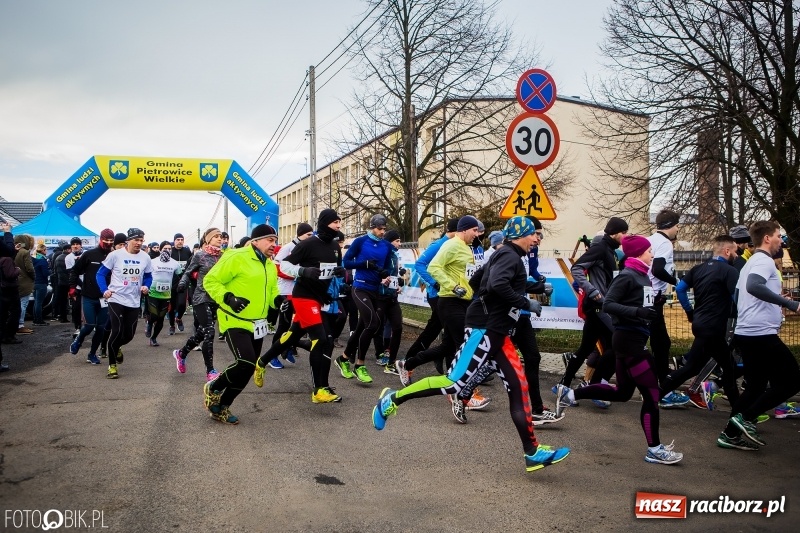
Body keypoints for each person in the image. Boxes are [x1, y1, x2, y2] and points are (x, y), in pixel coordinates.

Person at [372, 216, 570, 473]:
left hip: (498, 332)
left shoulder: (505, 256)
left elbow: (478, 282)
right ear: (521, 234)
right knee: (453, 382)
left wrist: (529, 286)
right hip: (485, 330)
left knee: (519, 388)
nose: (537, 239)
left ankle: (532, 452)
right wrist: (525, 302)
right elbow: (497, 284)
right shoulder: (509, 256)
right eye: (534, 234)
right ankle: (391, 400)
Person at [555, 235, 684, 465]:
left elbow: (637, 303)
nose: (652, 255)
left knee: (623, 393)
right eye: (648, 252)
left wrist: (652, 306)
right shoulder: (627, 275)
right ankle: (654, 449)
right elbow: (609, 304)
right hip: (629, 342)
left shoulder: (642, 275)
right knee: (652, 394)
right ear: (637, 255)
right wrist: (638, 314)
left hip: (633, 339)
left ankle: (572, 394)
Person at [716, 221, 800, 450]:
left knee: (755, 386)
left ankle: (730, 435)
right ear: (766, 238)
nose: (781, 240)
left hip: (748, 330)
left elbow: (739, 293)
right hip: (759, 333)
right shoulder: (763, 261)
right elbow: (753, 286)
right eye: (778, 235)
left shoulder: (751, 261)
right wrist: (790, 304)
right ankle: (746, 418)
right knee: (793, 380)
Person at [254, 209, 345, 403]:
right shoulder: (308, 244)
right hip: (303, 297)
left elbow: (331, 272)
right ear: (324, 223)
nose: (338, 226)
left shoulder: (335, 246)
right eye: (335, 222)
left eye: (339, 222)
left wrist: (339, 271)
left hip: (319, 298)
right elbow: (284, 265)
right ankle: (319, 390)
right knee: (320, 339)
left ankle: (261, 362)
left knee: (292, 336)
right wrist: (303, 271)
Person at [200, 224, 279, 424]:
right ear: (256, 241)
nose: (274, 244)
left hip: (258, 323)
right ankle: (214, 387)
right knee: (245, 362)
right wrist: (228, 298)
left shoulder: (269, 264)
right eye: (270, 240)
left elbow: (271, 291)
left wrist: (278, 302)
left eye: (275, 240)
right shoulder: (237, 257)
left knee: (249, 368)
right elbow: (210, 281)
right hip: (234, 319)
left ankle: (222, 407)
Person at [557, 217, 629, 404]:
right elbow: (577, 268)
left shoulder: (612, 251)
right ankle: (596, 387)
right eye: (624, 232)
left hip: (603, 306)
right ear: (614, 233)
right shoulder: (600, 248)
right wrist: (594, 292)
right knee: (618, 344)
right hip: (599, 306)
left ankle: (565, 386)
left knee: (587, 348)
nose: (626, 236)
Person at [665, 236, 740, 411]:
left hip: (700, 324)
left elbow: (681, 289)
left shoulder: (698, 268)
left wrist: (690, 312)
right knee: (724, 368)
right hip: (714, 328)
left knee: (703, 366)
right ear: (727, 251)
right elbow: (737, 299)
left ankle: (740, 411)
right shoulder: (729, 272)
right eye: (735, 251)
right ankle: (741, 413)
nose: (737, 255)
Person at [396, 218, 459, 385]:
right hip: (437, 294)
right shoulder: (439, 245)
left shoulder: (457, 245)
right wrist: (435, 283)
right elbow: (420, 265)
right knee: (450, 334)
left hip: (449, 294)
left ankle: (410, 362)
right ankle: (450, 374)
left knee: (434, 330)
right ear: (455, 231)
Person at [335, 214, 393, 382]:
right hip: (360, 287)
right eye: (379, 229)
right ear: (372, 227)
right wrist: (364, 264)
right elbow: (345, 263)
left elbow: (387, 267)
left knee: (362, 327)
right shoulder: (360, 242)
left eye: (384, 229)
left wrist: (385, 274)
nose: (382, 232)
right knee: (373, 323)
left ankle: (343, 358)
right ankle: (360, 364)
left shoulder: (387, 246)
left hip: (375, 289)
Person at [96, 228, 153, 378]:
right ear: (128, 240)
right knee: (117, 330)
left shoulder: (145, 257)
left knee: (129, 335)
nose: (139, 243)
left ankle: (117, 347)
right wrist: (104, 290)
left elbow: (148, 276)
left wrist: (147, 286)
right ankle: (112, 366)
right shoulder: (115, 255)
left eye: (141, 240)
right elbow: (100, 274)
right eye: (136, 240)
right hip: (116, 297)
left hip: (133, 300)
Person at [647, 209, 689, 407]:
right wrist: (676, 281)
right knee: (661, 344)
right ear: (671, 225)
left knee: (657, 342)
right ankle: (663, 389)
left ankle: (660, 382)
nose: (679, 228)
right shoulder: (664, 243)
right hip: (653, 298)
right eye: (678, 224)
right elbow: (657, 269)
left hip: (648, 297)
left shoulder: (651, 240)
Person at [172, 228, 224, 381]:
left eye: (220, 237)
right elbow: (188, 272)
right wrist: (182, 284)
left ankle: (181, 353)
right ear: (207, 240)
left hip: (216, 298)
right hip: (201, 297)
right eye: (216, 237)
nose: (220, 239)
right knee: (209, 332)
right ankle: (211, 371)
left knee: (201, 332)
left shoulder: (224, 257)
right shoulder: (200, 256)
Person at [266, 222, 313, 369]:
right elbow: (277, 268)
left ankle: (288, 346)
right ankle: (272, 356)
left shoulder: (307, 247)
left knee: (299, 324)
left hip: (300, 291)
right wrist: (297, 275)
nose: (311, 238)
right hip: (285, 291)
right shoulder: (288, 248)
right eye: (308, 235)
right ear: (300, 234)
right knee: (283, 325)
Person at [68, 229, 115, 364]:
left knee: (100, 328)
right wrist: (72, 287)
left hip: (104, 298)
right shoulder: (89, 254)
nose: (108, 243)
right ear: (100, 239)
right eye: (106, 240)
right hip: (88, 296)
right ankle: (78, 341)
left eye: (111, 241)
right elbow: (75, 271)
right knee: (89, 325)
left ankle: (92, 354)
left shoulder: (114, 256)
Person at [375, 229, 404, 375]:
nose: (400, 243)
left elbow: (393, 275)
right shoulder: (382, 253)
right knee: (374, 326)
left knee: (397, 327)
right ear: (389, 241)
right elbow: (374, 272)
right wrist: (380, 280)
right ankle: (376, 354)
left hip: (392, 296)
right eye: (397, 241)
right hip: (379, 296)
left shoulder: (394, 256)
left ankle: (391, 362)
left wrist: (396, 286)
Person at [145, 241, 182, 348]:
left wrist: (179, 286)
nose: (167, 251)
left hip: (166, 294)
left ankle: (154, 338)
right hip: (153, 292)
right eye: (165, 249)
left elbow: (180, 276)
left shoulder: (175, 263)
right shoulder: (152, 262)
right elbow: (146, 275)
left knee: (160, 318)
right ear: (160, 250)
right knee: (154, 315)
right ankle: (150, 323)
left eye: (170, 249)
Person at [1, 220, 22, 351]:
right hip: (8, 289)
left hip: (4, 288)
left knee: (4, 314)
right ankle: (8, 335)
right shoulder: (7, 259)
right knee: (15, 311)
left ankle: (5, 335)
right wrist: (18, 270)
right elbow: (10, 274)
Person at [168, 233, 192, 335]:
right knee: (171, 307)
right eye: (178, 239)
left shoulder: (187, 251)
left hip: (183, 282)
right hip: (171, 283)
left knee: (182, 304)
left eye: (182, 239)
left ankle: (178, 318)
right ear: (174, 241)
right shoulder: (170, 251)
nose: (180, 241)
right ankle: (172, 325)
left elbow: (192, 263)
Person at [14, 234, 35, 335]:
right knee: (23, 304)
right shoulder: (25, 252)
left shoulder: (13, 251)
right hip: (25, 281)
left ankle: (16, 324)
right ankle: (20, 325)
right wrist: (33, 277)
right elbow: (30, 268)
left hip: (14, 281)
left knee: (16, 305)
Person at [64, 237, 84, 334]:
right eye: (73, 244)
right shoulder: (68, 258)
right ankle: (78, 327)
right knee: (76, 307)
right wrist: (80, 285)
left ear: (81, 245)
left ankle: (93, 325)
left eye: (77, 244)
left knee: (91, 306)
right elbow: (71, 274)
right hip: (76, 286)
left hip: (89, 285)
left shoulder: (86, 255)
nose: (75, 246)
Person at [31, 243, 50, 326]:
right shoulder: (42, 260)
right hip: (41, 283)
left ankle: (35, 319)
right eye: (46, 249)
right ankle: (39, 320)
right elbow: (45, 273)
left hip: (34, 283)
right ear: (43, 250)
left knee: (36, 302)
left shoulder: (34, 259)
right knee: (39, 303)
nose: (46, 251)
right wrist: (51, 272)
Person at [52, 243, 71, 323]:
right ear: (67, 249)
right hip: (67, 281)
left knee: (62, 300)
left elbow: (55, 270)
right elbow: (69, 271)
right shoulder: (67, 258)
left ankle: (61, 316)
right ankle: (64, 317)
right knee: (66, 300)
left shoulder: (58, 257)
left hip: (59, 281)